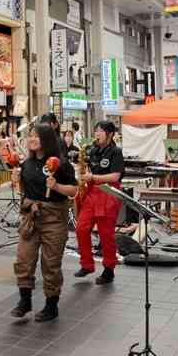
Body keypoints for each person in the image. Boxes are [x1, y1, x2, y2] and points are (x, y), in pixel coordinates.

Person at [10, 124, 77, 322]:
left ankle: (51, 305)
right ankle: (25, 300)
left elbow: (73, 191)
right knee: (23, 259)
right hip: (31, 217)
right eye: (30, 136)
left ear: (46, 140)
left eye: (36, 136)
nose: (31, 139)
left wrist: (55, 186)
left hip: (54, 218)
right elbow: (27, 189)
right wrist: (17, 179)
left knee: (50, 264)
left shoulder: (60, 164)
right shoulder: (27, 164)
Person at [74, 121, 124, 285]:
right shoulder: (93, 150)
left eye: (100, 131)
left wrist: (94, 178)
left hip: (109, 193)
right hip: (91, 193)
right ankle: (87, 264)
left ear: (110, 134)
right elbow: (88, 170)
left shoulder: (116, 152)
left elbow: (115, 176)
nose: (96, 134)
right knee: (81, 228)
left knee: (106, 235)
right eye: (95, 131)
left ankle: (109, 269)